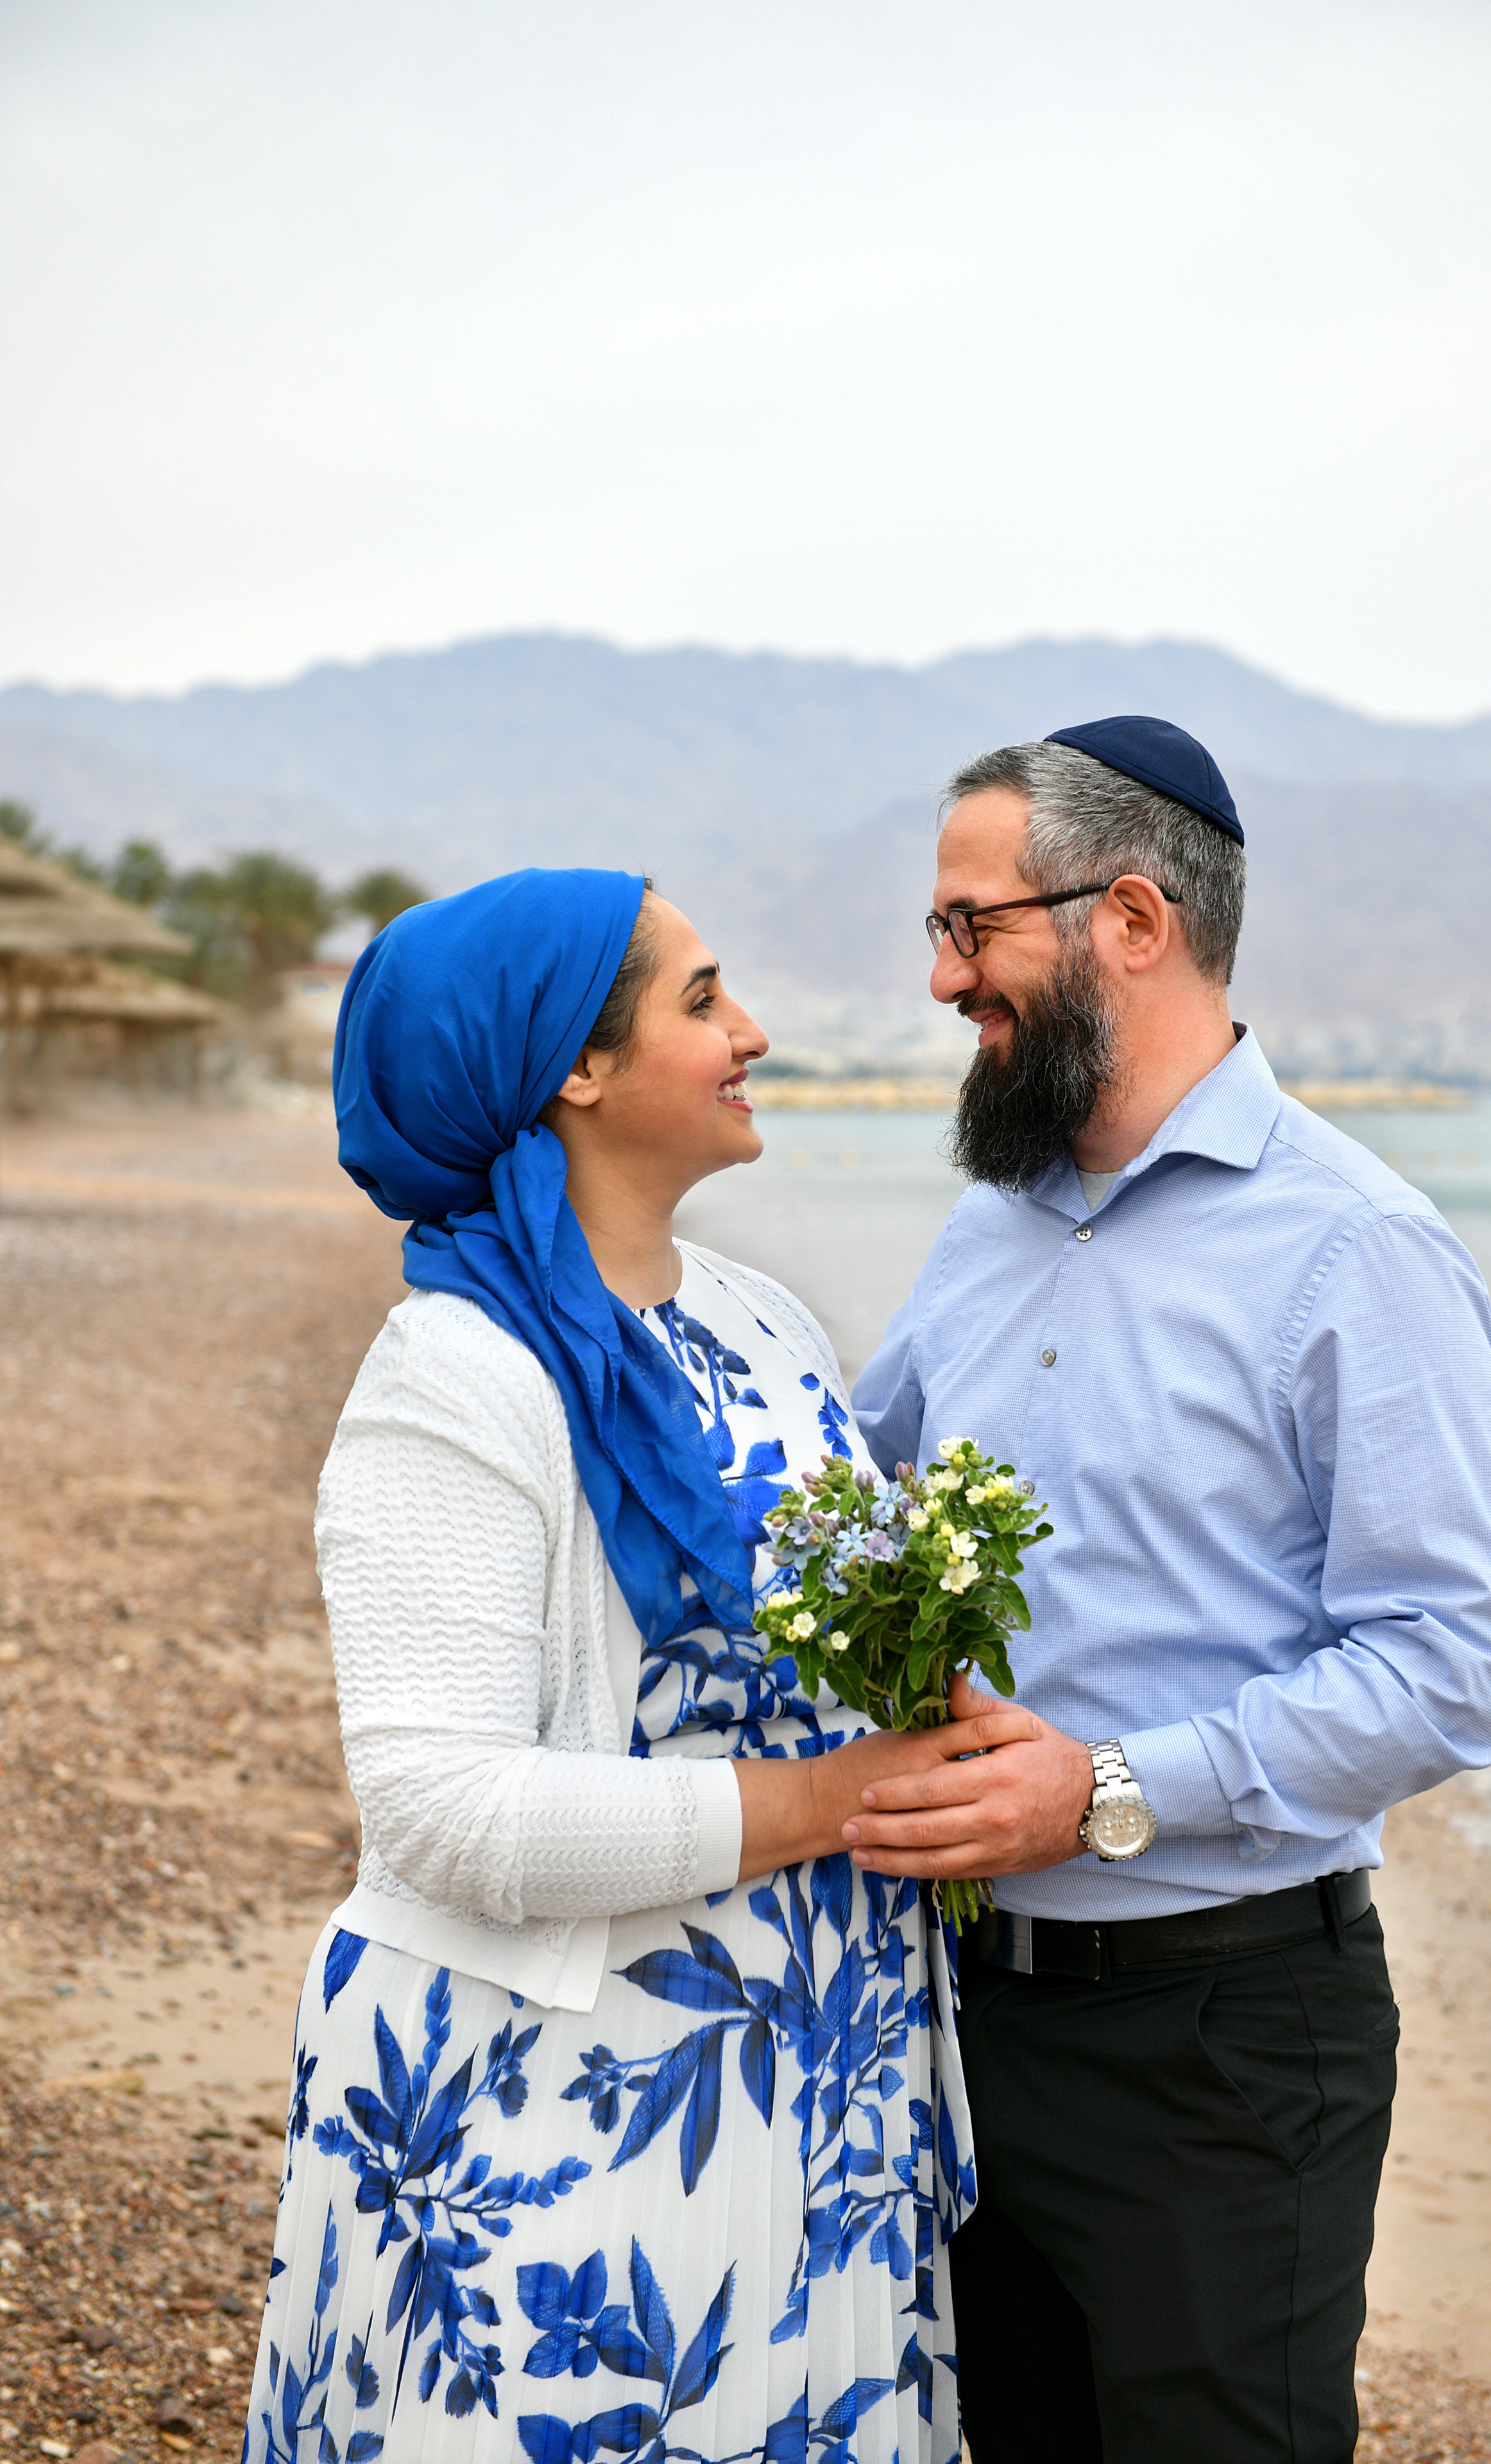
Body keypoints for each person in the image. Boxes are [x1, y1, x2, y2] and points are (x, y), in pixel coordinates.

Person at [244, 868, 1040, 2464]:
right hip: (569, 2111)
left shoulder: (760, 1325)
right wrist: (828, 1802)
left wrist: (950, 1725)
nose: (751, 1034)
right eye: (700, 1001)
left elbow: (830, 1649)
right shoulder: (454, 1379)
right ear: (574, 1070)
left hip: (820, 2078)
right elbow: (442, 1811)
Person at [848, 719, 1491, 2464]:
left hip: (1228, 2043)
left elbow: (1459, 1662)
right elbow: (859, 1529)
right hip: (961, 2016)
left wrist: (1112, 1789)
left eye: (972, 926)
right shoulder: (988, 1226)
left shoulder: (1354, 1246)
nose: (941, 978)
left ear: (1131, 919)